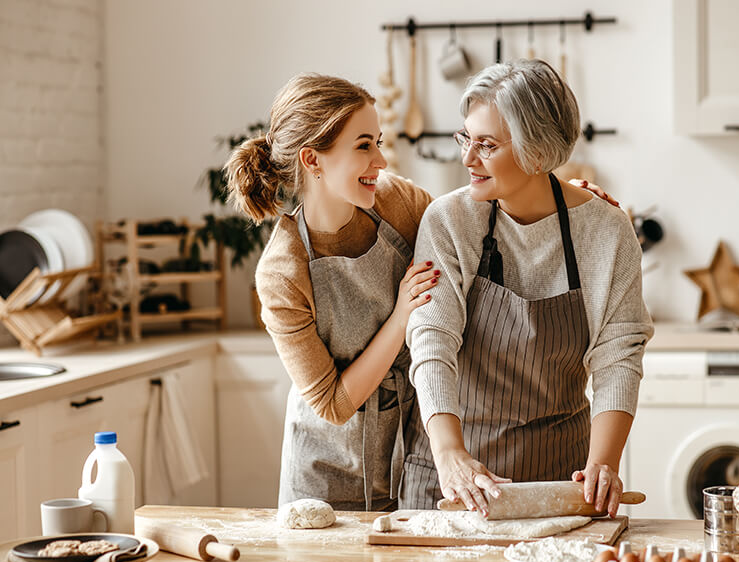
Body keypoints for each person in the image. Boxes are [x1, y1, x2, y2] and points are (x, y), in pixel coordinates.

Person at [400, 59, 653, 518]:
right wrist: (449, 454)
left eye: (486, 145)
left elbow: (619, 353)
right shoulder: (450, 221)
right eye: (466, 139)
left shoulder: (606, 231)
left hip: (559, 481)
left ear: (536, 153)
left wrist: (603, 464)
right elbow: (431, 337)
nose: (467, 158)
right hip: (454, 482)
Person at [225, 73, 437, 511]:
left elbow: (475, 228)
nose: (380, 159)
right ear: (312, 160)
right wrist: (401, 317)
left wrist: (568, 202)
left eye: (378, 142)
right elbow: (334, 403)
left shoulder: (399, 203)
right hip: (326, 480)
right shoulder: (282, 273)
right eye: (364, 145)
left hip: (414, 457)